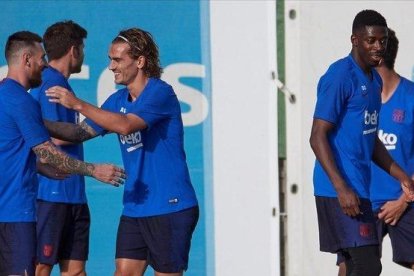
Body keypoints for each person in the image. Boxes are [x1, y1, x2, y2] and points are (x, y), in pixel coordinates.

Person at [44, 27, 199, 276]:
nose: (111, 66)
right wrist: (30, 120)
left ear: (140, 61)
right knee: (123, 272)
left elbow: (126, 125)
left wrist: (79, 104)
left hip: (171, 205)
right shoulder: (116, 101)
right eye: (110, 59)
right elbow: (77, 134)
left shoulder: (160, 92)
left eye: (117, 60)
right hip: (136, 207)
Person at [0, 31, 125, 276]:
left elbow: (10, 149)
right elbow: (49, 152)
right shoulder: (21, 100)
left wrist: (33, 166)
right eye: (41, 57)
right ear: (26, 59)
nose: (44, 64)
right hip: (16, 213)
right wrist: (93, 170)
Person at [309, 10, 414, 276]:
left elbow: (371, 138)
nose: (378, 46)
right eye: (371, 41)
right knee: (366, 265)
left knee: (352, 264)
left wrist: (401, 174)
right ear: (355, 40)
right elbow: (317, 135)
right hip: (338, 189)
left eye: (382, 41)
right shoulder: (340, 75)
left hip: (360, 188)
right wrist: (341, 186)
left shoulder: (374, 80)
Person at [338, 28, 414, 275]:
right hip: (361, 202)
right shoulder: (354, 95)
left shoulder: (411, 96)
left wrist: (403, 201)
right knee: (349, 266)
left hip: (405, 200)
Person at [29, 21, 90, 276]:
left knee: (75, 271)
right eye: (83, 48)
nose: (84, 55)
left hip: (74, 194)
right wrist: (105, 121)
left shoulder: (61, 85)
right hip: (51, 194)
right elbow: (49, 139)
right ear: (74, 50)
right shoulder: (50, 85)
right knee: (41, 267)